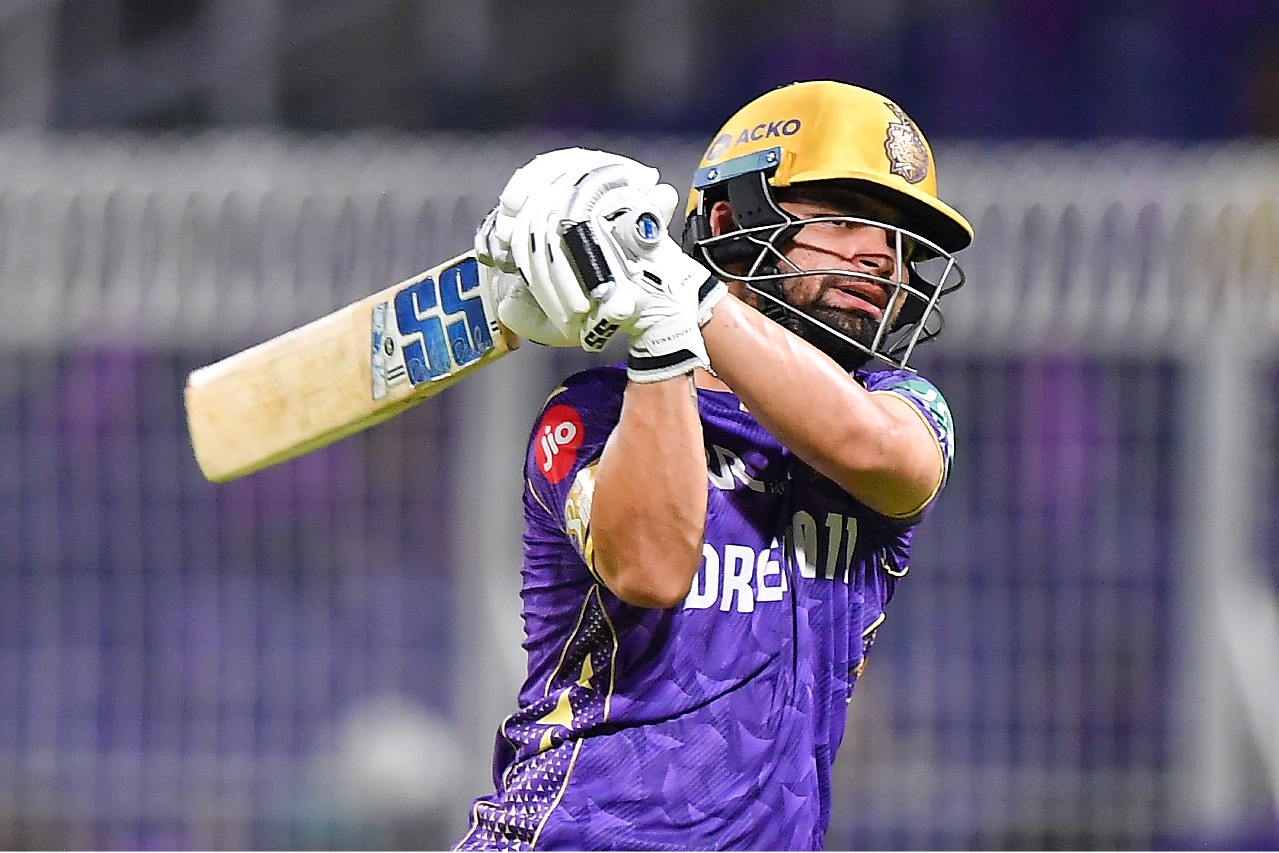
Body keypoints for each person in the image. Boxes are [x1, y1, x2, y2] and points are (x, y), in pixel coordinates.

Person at [454, 80, 972, 851]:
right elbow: (652, 565)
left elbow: (871, 447)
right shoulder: (591, 414)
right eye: (843, 217)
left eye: (901, 241)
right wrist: (664, 331)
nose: (882, 258)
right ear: (730, 223)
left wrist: (670, 282)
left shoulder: (901, 407)